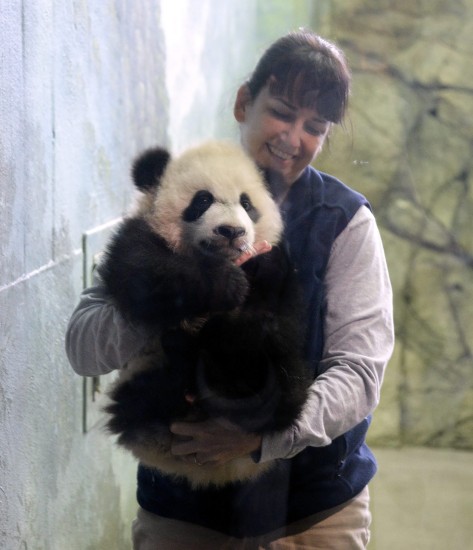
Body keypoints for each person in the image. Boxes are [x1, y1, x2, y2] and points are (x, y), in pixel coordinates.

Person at [66, 29, 394, 549]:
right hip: (182, 510)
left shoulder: (344, 222)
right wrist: (171, 298)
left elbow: (359, 370)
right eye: (282, 111)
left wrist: (263, 435)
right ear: (244, 101)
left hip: (311, 511)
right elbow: (83, 347)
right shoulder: (176, 194)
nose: (293, 137)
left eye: (315, 126)